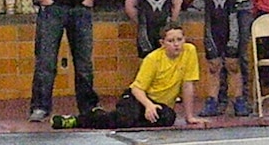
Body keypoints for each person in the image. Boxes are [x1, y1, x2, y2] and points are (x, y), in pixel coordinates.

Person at [52, 21, 202, 129]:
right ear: (162, 43)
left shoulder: (190, 51)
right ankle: (79, 120)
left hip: (160, 104)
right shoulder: (153, 59)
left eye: (179, 40)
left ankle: (119, 118)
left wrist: (189, 116)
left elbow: (188, 85)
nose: (176, 44)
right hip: (138, 97)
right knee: (125, 119)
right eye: (171, 41)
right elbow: (137, 89)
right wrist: (148, 105)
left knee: (169, 118)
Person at [183, 0, 260, 117]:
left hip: (231, 26)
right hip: (212, 26)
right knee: (213, 65)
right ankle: (212, 100)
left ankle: (239, 100)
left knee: (233, 65)